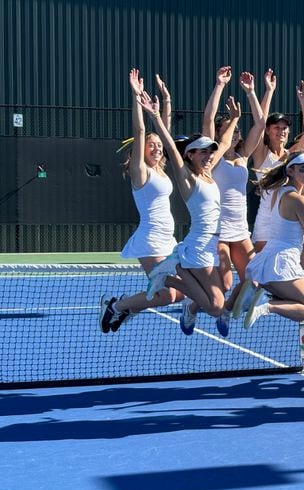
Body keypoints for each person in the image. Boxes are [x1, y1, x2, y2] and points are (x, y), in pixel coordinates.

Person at [139, 85, 240, 335]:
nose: (208, 155)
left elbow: (225, 141)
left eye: (210, 151)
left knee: (223, 291)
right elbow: (171, 149)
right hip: (198, 247)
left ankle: (174, 270)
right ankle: (173, 274)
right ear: (190, 155)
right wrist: (155, 115)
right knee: (217, 306)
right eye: (203, 152)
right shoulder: (188, 179)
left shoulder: (208, 172)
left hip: (211, 246)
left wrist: (235, 118)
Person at [99, 68, 182, 333]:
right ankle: (117, 306)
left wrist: (166, 101)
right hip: (150, 241)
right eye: (151, 145)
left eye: (159, 146)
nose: (157, 148)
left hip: (168, 240)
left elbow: (163, 131)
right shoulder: (141, 172)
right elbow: (142, 128)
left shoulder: (160, 169)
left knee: (181, 292)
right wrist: (136, 97)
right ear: (141, 150)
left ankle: (125, 306)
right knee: (166, 297)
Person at [238, 152, 304, 347]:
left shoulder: (280, 191)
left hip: (270, 257)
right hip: (284, 262)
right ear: (291, 171)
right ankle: (266, 306)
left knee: (293, 299)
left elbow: (300, 203)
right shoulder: (299, 200)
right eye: (303, 169)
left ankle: (257, 291)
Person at [201, 67, 266, 336]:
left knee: (255, 277)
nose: (235, 133)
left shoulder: (243, 157)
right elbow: (208, 117)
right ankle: (192, 308)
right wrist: (219, 85)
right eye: (229, 128)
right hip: (218, 231)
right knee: (226, 282)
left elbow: (260, 124)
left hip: (240, 230)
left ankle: (226, 311)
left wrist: (251, 93)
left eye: (237, 129)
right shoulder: (210, 157)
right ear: (219, 131)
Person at [251, 77, 304, 252]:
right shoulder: (261, 153)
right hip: (266, 221)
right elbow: (259, 123)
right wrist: (269, 91)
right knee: (262, 274)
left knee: (295, 267)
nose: (282, 131)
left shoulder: (291, 155)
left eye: (285, 128)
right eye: (277, 127)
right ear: (268, 131)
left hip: (287, 219)